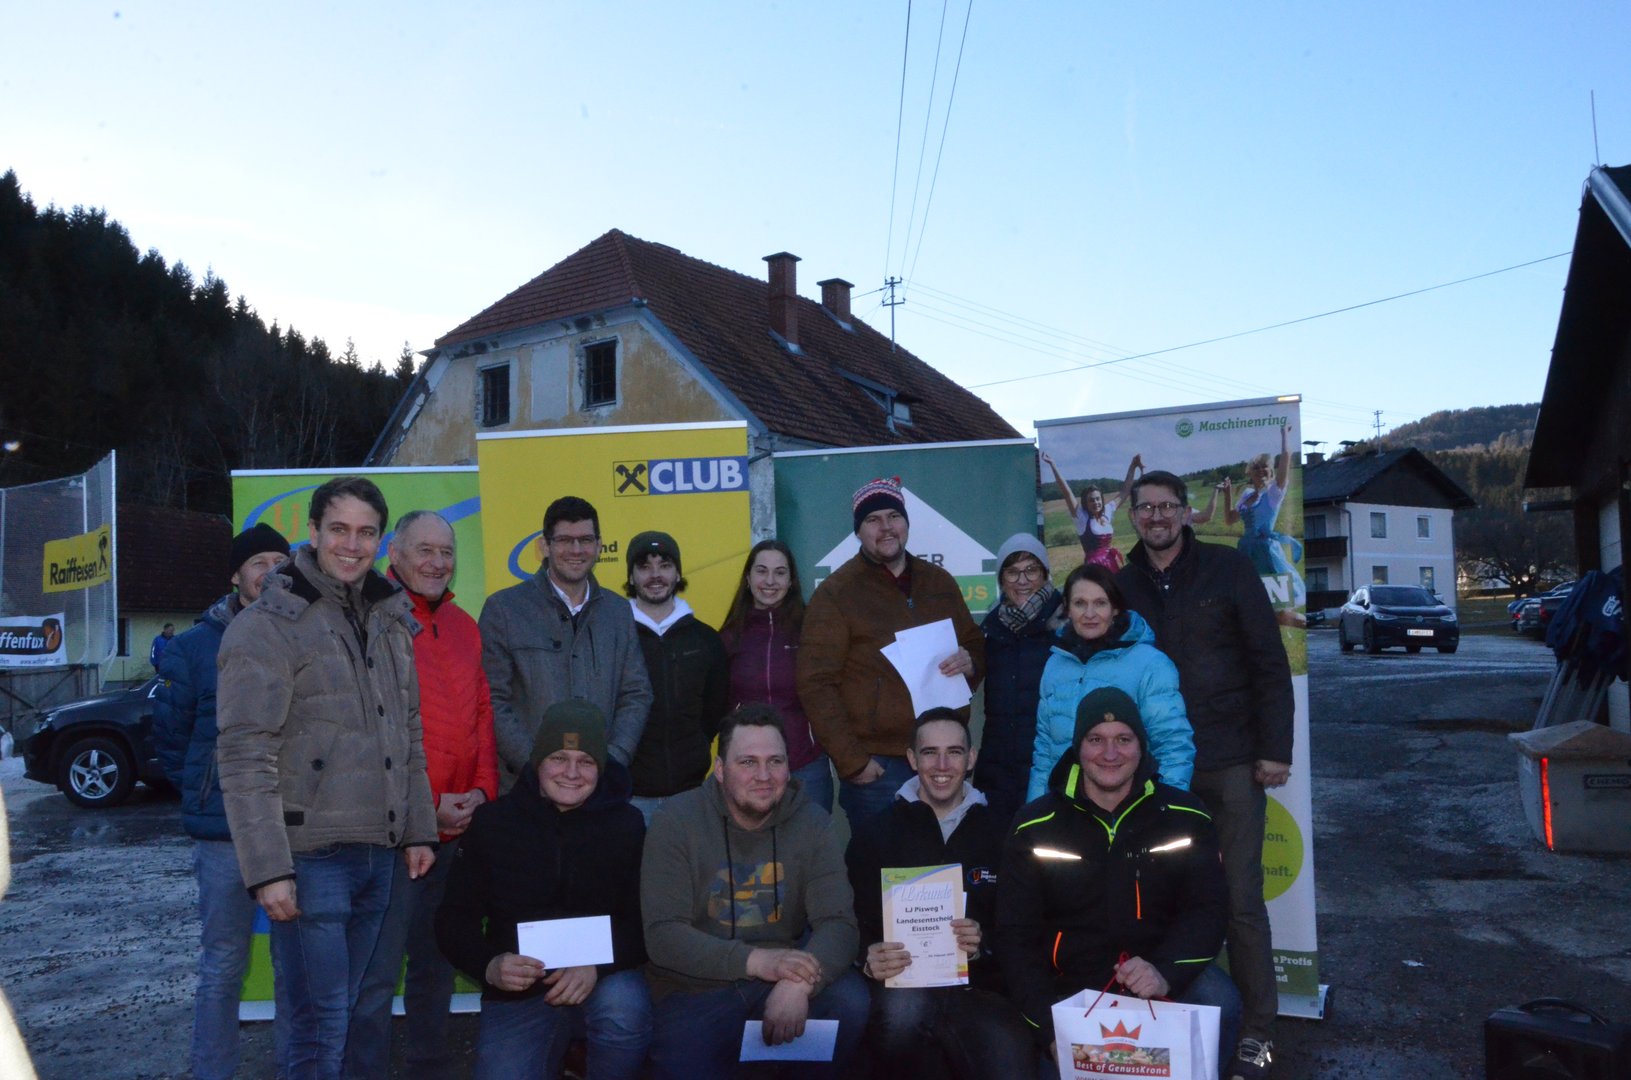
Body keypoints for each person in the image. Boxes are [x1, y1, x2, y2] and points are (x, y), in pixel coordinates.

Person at [216, 476, 438, 1080]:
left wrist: (419, 828)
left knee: (357, 1010)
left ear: (380, 540)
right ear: (312, 533)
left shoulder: (389, 618)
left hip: (380, 855)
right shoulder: (268, 625)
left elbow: (408, 733)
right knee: (319, 1025)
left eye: (366, 532)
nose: (352, 544)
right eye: (339, 529)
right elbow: (243, 754)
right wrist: (268, 870)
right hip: (310, 860)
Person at [1118, 469, 1293, 1080]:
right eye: (1146, 508)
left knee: (1241, 902)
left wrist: (1275, 748)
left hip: (1231, 760)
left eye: (1168, 506)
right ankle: (1166, 1020)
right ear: (1132, 516)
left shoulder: (1228, 568)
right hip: (1155, 773)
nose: (1157, 517)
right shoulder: (1121, 584)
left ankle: (1259, 1035)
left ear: (1186, 512)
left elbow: (1269, 662)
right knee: (1156, 901)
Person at [996, 687, 1240, 1080]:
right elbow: (1014, 935)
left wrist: (1164, 971)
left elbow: (1207, 910)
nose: (1110, 753)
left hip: (1156, 982)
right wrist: (1049, 1030)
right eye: (1096, 740)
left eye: (1123, 739)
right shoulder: (1034, 826)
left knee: (1218, 997)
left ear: (1141, 747)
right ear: (1078, 748)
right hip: (1069, 992)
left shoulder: (1186, 816)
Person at [348, 510, 499, 1079]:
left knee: (435, 961)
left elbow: (481, 714)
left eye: (447, 552)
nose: (438, 563)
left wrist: (481, 790)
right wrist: (423, 808)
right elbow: (365, 734)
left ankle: (428, 1067)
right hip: (393, 834)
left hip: (455, 829)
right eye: (425, 551)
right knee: (376, 973)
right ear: (395, 554)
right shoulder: (370, 620)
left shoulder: (464, 625)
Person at [641, 704, 868, 1078]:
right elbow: (663, 935)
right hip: (694, 989)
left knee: (850, 1000)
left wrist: (800, 985)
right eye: (747, 762)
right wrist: (760, 962)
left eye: (775, 761)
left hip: (780, 983)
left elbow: (838, 924)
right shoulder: (677, 822)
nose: (764, 776)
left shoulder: (812, 823)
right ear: (720, 770)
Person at [435, 700, 651, 1080]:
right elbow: (453, 918)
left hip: (601, 978)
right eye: (558, 758)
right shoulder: (493, 822)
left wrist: (597, 964)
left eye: (586, 761)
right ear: (538, 762)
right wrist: (490, 965)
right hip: (520, 988)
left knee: (625, 1010)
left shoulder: (628, 825)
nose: (571, 773)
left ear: (602, 767)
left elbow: (646, 921)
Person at [153, 522, 291, 1080]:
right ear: (236, 575)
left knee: (295, 966)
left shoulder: (306, 633)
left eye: (281, 561)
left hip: (295, 829)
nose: (272, 572)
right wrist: (208, 793)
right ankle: (213, 1071)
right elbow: (170, 738)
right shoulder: (192, 648)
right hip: (224, 835)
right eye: (259, 562)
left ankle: (297, 1068)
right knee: (223, 963)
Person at [844, 709, 1035, 1079]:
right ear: (912, 759)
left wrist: (983, 943)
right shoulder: (875, 834)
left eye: (954, 752)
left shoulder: (1004, 834)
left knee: (1011, 1061)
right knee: (901, 1020)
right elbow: (848, 918)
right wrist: (867, 956)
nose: (942, 765)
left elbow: (1022, 925)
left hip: (979, 988)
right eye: (930, 752)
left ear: (971, 758)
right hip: (903, 985)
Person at [798, 476, 983, 826]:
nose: (886, 527)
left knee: (945, 854)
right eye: (873, 520)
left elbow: (973, 642)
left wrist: (970, 661)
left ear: (906, 523)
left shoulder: (938, 581)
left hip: (941, 758)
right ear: (858, 531)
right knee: (882, 859)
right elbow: (816, 683)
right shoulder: (836, 593)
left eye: (894, 516)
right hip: (880, 767)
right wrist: (853, 762)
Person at [479, 495, 652, 792]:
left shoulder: (618, 611)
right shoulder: (504, 610)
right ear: (544, 546)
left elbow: (636, 693)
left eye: (585, 540)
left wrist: (611, 761)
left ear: (599, 546)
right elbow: (492, 699)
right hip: (526, 788)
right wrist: (536, 765)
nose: (576, 550)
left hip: (600, 789)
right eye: (564, 540)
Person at [1027, 563, 1194, 802]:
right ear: (1067, 609)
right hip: (1067, 807)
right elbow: (1044, 750)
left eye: (1100, 603)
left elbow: (1173, 745)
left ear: (1115, 608)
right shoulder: (1056, 664)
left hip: (1131, 805)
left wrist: (1167, 808)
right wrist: (1035, 810)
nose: (1089, 614)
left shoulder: (1150, 664)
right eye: (1080, 603)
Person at [624, 530, 730, 824]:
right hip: (628, 797)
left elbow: (715, 711)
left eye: (665, 565)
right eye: (644, 567)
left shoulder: (706, 640)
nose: (655, 575)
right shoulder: (615, 637)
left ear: (678, 573)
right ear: (631, 576)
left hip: (691, 794)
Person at [718, 539, 832, 813]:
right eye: (761, 571)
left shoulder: (811, 631)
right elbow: (717, 705)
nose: (770, 581)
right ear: (748, 578)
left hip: (805, 765)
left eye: (780, 572)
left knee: (811, 840)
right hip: (747, 769)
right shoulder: (728, 637)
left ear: (791, 581)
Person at [977, 534, 1065, 827]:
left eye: (1031, 570)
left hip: (1053, 767)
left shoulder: (1067, 625)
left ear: (1045, 574)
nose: (1022, 580)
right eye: (1012, 571)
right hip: (998, 771)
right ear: (1001, 579)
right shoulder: (991, 629)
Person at [1224, 425, 1306, 628]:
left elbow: (1285, 459)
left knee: (1280, 612)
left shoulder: (1273, 493)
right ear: (1250, 472)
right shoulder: (1246, 495)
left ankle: (1304, 624)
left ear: (1271, 470)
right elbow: (1230, 519)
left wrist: (1284, 435)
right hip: (1246, 552)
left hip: (1266, 554)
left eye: (1265, 467)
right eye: (1257, 467)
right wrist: (1227, 494)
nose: (1261, 470)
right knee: (1249, 609)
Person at [1042, 452, 1140, 571]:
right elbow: (1067, 492)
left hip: (1111, 562)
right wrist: (1053, 465)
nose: (1096, 502)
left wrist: (1132, 466)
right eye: (1091, 500)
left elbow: (1124, 492)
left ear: (1102, 499)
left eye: (1098, 499)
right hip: (1094, 567)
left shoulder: (1107, 511)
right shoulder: (1081, 517)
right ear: (1086, 503)